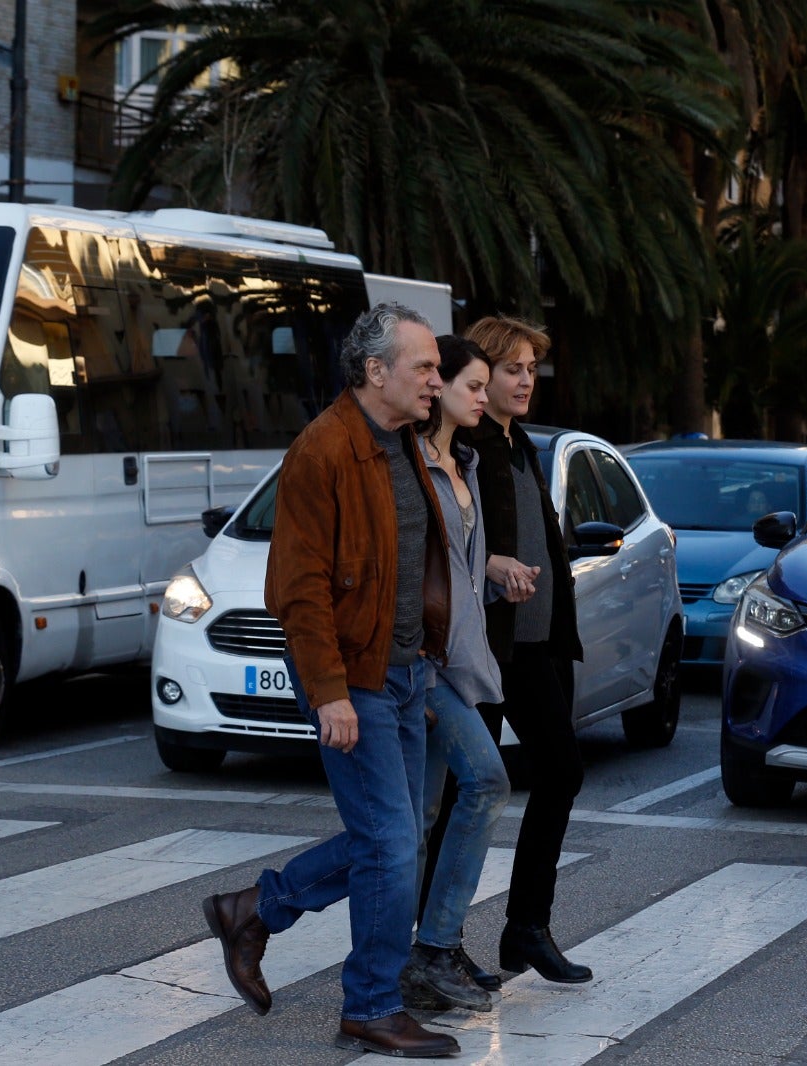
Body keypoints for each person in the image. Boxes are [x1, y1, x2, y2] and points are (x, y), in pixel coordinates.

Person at [201, 303, 461, 1059]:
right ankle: (371, 1004)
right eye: (423, 368)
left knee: (395, 839)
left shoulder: (403, 440)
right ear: (374, 371)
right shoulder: (322, 452)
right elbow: (298, 586)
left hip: (407, 670)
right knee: (391, 842)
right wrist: (330, 691)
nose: (435, 381)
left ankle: (256, 908)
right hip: (358, 677)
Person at [430, 313, 593, 984]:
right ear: (478, 374)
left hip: (533, 645)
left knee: (545, 775)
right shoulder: (471, 448)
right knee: (471, 792)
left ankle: (522, 926)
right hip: (491, 651)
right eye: (511, 370)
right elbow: (455, 545)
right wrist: (494, 562)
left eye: (532, 369)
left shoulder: (517, 441)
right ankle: (440, 942)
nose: (526, 380)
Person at [402, 336, 512, 1014]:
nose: (481, 394)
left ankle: (418, 956)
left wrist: (497, 577)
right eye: (472, 384)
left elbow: (459, 572)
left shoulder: (462, 463)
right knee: (487, 780)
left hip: (462, 661)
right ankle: (434, 945)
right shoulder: (412, 466)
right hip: (425, 661)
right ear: (438, 387)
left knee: (417, 818)